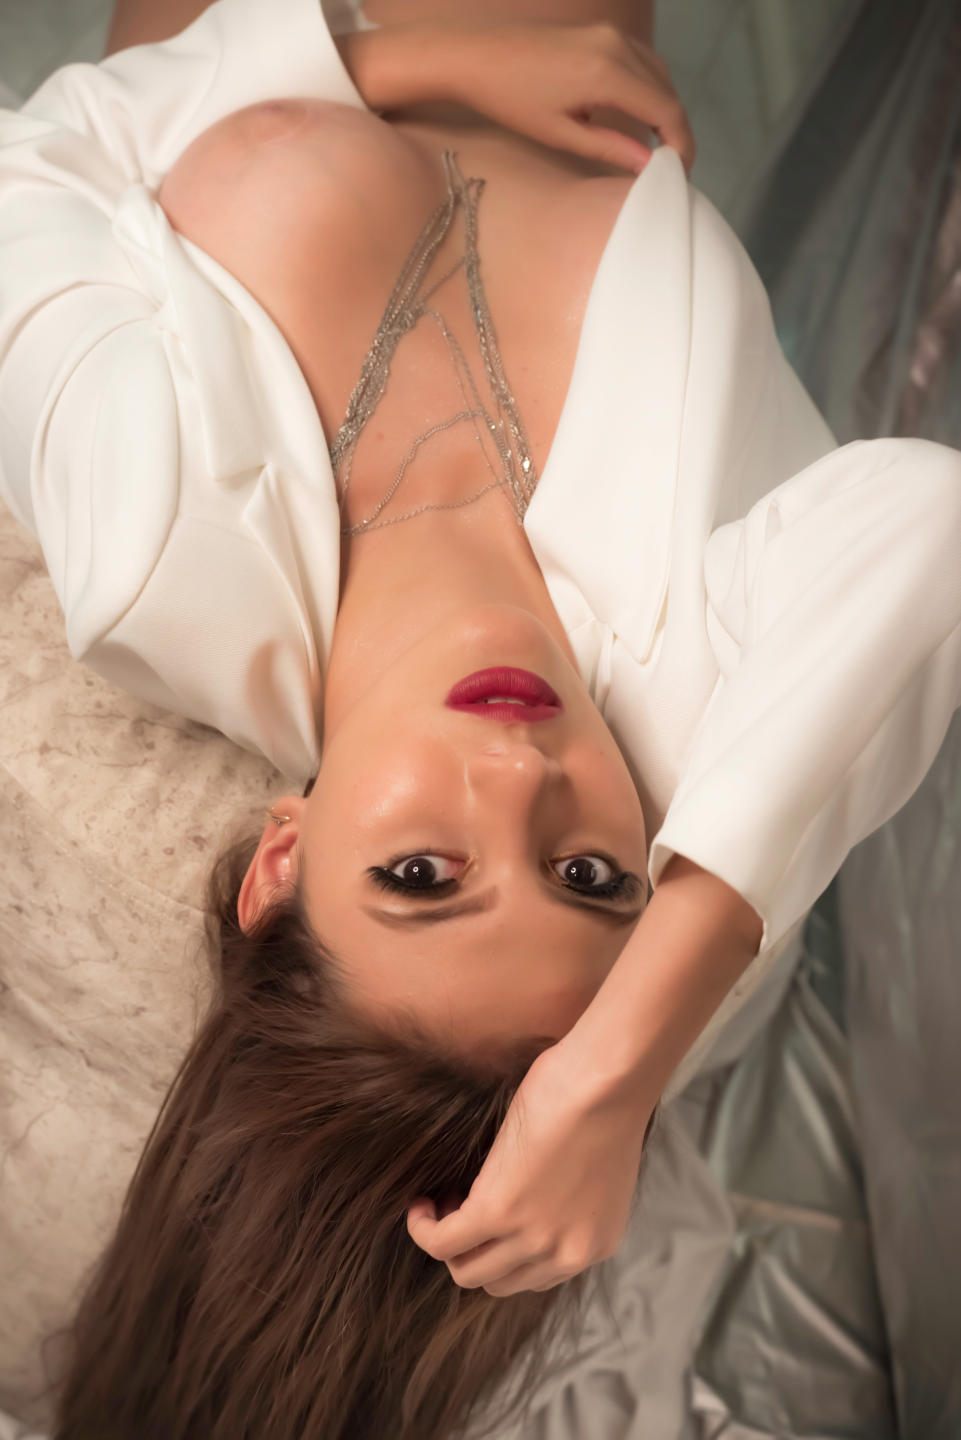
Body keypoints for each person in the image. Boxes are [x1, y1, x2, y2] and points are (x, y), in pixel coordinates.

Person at [1, 0, 960, 1435]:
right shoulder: (682, 689)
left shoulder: (158, 555)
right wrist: (615, 1071)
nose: (519, 776)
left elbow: (35, 168)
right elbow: (928, 519)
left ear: (280, 863)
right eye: (587, 878)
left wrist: (398, 56)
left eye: (420, 875)